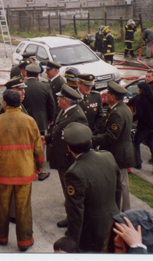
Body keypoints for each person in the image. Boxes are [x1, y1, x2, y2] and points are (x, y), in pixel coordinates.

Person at [0, 90, 44, 252]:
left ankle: (0, 236)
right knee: (23, 207)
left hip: (2, 171)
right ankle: (25, 241)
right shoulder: (30, 121)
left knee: (1, 205)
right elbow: (38, 147)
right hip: (25, 172)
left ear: (5, 103)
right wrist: (39, 164)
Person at [63, 122, 122, 253]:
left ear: (68, 148)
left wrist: (73, 243)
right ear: (90, 141)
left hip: (92, 232)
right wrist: (117, 214)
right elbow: (118, 190)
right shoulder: (108, 156)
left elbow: (75, 213)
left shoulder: (74, 173)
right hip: (114, 220)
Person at [43, 84, 88, 229]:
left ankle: (73, 221)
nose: (57, 99)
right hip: (62, 158)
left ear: (66, 100)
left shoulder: (77, 116)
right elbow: (60, 131)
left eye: (59, 97)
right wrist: (48, 138)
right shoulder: (65, 111)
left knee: (72, 192)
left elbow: (78, 141)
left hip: (69, 160)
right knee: (67, 189)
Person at [92, 81, 140, 212]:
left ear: (113, 97)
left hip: (119, 153)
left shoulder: (118, 112)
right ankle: (122, 208)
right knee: (120, 182)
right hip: (119, 151)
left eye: (108, 94)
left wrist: (93, 140)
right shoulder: (118, 108)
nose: (106, 96)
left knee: (121, 183)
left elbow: (111, 136)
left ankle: (124, 210)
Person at [22, 63, 55, 181]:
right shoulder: (45, 86)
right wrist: (51, 118)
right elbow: (51, 104)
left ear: (26, 73)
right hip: (41, 121)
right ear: (38, 74)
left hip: (25, 121)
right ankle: (41, 170)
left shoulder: (22, 86)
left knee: (27, 145)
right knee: (41, 145)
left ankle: (29, 169)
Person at [131, 82, 153, 177]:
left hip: (144, 127)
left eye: (138, 89)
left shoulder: (140, 100)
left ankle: (138, 163)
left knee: (136, 143)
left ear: (141, 90)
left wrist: (130, 119)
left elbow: (139, 114)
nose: (137, 90)